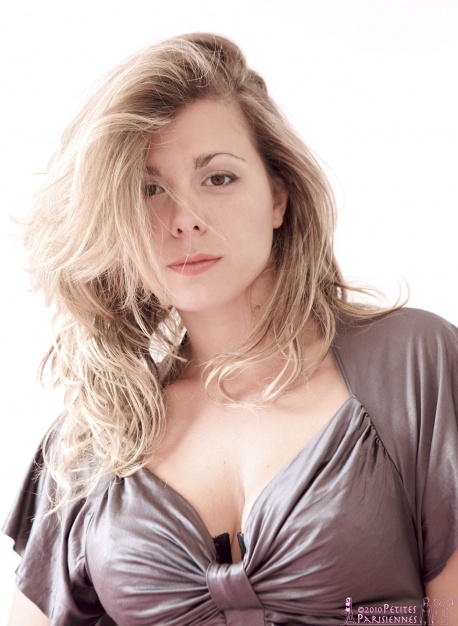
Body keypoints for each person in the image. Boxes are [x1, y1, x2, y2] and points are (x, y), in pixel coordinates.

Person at [3, 33, 458, 626]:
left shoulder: (415, 367)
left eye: (218, 178)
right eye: (148, 189)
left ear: (278, 195)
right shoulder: (92, 440)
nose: (184, 220)